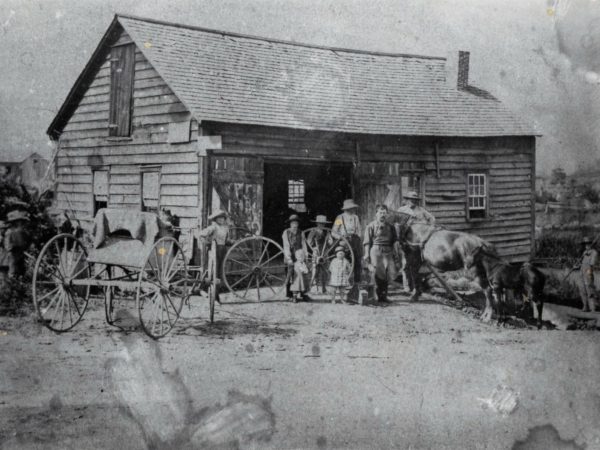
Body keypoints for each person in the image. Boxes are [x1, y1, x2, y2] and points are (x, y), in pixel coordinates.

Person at [397, 191, 435, 294]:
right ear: (407, 200)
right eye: (410, 199)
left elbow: (432, 219)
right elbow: (397, 225)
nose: (412, 201)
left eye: (414, 200)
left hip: (417, 243)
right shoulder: (402, 210)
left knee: (417, 265)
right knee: (405, 264)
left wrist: (426, 227)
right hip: (405, 242)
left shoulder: (421, 211)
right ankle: (406, 287)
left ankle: (417, 286)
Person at [363, 204, 398, 303]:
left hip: (388, 250)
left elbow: (395, 240)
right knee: (378, 273)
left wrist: (396, 251)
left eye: (384, 213)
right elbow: (367, 241)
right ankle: (377, 296)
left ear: (387, 214)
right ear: (376, 214)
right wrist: (366, 253)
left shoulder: (391, 226)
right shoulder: (371, 226)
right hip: (376, 250)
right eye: (380, 212)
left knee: (387, 273)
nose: (382, 215)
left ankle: (384, 296)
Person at [198, 210, 233, 300]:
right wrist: (207, 242)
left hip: (223, 250)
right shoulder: (213, 227)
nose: (221, 220)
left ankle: (215, 293)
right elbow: (201, 234)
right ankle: (203, 289)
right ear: (215, 219)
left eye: (223, 218)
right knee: (212, 271)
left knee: (219, 271)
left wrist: (233, 242)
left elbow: (226, 241)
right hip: (214, 250)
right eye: (219, 218)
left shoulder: (225, 228)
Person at [332, 199, 362, 298]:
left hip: (354, 241)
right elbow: (333, 232)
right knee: (344, 263)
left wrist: (357, 239)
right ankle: (342, 285)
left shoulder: (355, 217)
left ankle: (357, 285)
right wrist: (342, 238)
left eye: (353, 208)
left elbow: (359, 231)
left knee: (357, 262)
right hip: (343, 242)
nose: (352, 210)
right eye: (350, 208)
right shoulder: (340, 217)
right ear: (346, 209)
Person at [282, 214, 309, 301]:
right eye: (293, 223)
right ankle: (290, 295)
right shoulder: (286, 232)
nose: (294, 225)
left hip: (299, 256)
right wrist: (289, 257)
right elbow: (286, 245)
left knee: (302, 274)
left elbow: (304, 244)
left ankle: (303, 294)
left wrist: (305, 255)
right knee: (290, 275)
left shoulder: (301, 233)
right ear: (290, 224)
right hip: (290, 255)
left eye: (296, 223)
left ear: (298, 224)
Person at [306, 215, 333, 292]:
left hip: (325, 252)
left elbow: (330, 242)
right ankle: (314, 286)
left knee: (325, 270)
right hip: (316, 252)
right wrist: (313, 247)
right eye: (320, 224)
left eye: (323, 224)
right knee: (315, 269)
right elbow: (309, 241)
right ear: (317, 224)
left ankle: (324, 287)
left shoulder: (327, 231)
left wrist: (329, 240)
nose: (322, 225)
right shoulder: (313, 231)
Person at [4, 210, 30, 279]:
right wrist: (13, 247)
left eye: (21, 222)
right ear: (15, 222)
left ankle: (20, 281)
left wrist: (24, 247)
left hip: (20, 252)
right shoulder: (9, 232)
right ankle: (11, 282)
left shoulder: (22, 232)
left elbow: (25, 242)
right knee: (12, 268)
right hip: (13, 253)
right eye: (19, 222)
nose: (21, 223)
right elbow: (7, 245)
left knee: (21, 268)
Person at [579, 236, 598, 312]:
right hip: (581, 272)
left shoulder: (594, 253)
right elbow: (581, 263)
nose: (586, 245)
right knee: (582, 289)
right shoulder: (584, 253)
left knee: (589, 289)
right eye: (585, 244)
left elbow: (592, 264)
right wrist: (576, 266)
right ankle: (585, 306)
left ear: (591, 244)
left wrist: (588, 254)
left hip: (588, 272)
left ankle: (592, 308)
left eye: (588, 244)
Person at [0, 221, 9, 288]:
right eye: (3, 229)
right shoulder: (1, 237)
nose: (4, 230)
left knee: (5, 278)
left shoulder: (4, 236)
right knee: (3, 278)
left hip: (4, 261)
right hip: (2, 261)